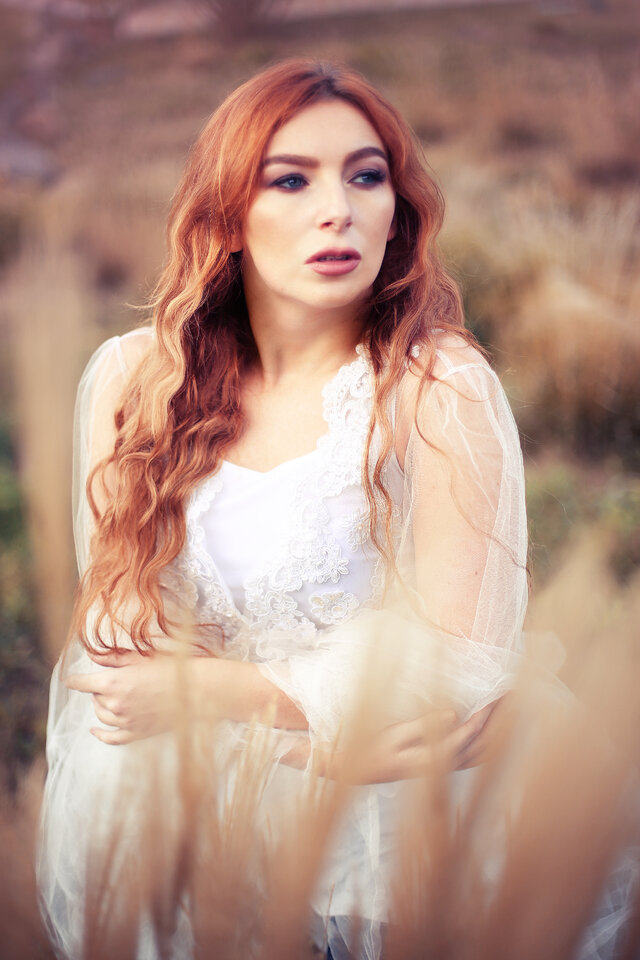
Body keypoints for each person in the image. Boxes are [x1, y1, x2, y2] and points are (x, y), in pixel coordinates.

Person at [38, 59, 530, 960]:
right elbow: (114, 657)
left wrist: (216, 696)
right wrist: (334, 728)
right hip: (183, 814)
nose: (337, 209)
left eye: (366, 176)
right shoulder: (136, 379)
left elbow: (463, 663)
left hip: (389, 836)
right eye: (291, 180)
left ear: (398, 209)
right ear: (229, 214)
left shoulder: (435, 385)